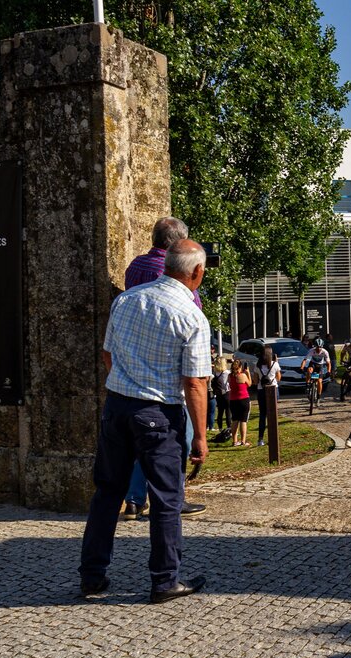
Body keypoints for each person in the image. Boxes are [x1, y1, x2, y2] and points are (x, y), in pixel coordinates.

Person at [79, 236, 210, 604]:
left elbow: (107, 354)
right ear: (197, 272)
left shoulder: (126, 300)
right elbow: (195, 383)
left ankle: (91, 575)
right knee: (166, 498)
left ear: (166, 265)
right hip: (159, 413)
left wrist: (128, 383)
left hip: (118, 406)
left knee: (107, 492)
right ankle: (165, 580)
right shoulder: (191, 316)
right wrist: (200, 437)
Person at [120, 217, 206, 521]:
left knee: (141, 442)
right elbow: (192, 312)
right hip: (167, 365)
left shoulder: (135, 267)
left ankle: (134, 499)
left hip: (133, 364)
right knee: (178, 438)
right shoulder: (173, 276)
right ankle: (173, 497)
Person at [255, 346, 281, 447]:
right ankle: (273, 438)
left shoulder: (258, 365)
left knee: (262, 415)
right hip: (273, 389)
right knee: (273, 414)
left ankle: (260, 439)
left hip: (261, 390)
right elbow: (278, 378)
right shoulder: (275, 364)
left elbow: (255, 381)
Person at [228, 359, 252, 447]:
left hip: (233, 400)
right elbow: (249, 384)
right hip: (243, 399)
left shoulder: (230, 376)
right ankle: (243, 441)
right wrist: (248, 373)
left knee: (234, 420)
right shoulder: (242, 375)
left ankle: (234, 441)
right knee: (243, 420)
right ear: (240, 367)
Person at [301, 338, 331, 403]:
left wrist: (329, 371)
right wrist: (302, 367)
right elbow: (305, 360)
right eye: (317, 347)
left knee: (319, 381)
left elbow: (328, 363)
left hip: (320, 365)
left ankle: (319, 396)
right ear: (314, 346)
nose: (318, 349)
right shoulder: (311, 350)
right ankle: (307, 384)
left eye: (320, 347)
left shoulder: (325, 352)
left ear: (322, 347)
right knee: (309, 370)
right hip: (313, 364)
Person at [210, 355, 231, 433]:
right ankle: (229, 428)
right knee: (228, 412)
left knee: (220, 412)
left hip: (218, 394)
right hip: (226, 393)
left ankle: (220, 429)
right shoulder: (227, 373)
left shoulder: (215, 373)